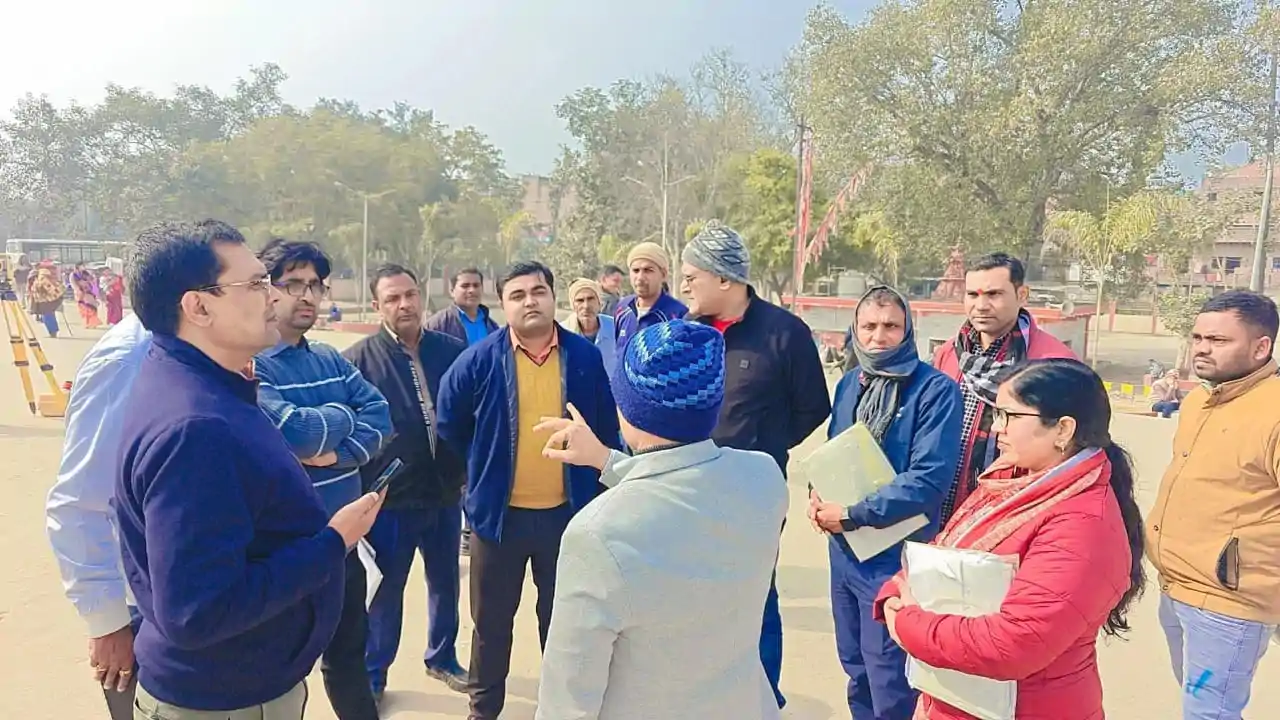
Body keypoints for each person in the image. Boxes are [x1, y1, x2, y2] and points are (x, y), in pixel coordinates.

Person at [114, 220, 385, 719]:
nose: (274, 297)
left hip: (242, 684)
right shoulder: (196, 428)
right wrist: (332, 541)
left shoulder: (203, 383)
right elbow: (197, 611)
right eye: (257, 284)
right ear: (198, 307)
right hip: (224, 700)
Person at [531, 320, 788, 720]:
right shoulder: (764, 479)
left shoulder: (596, 533)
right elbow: (685, 491)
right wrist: (606, 460)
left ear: (626, 409)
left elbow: (568, 698)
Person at [876, 359, 1146, 719]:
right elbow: (945, 552)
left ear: (1063, 429)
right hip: (959, 697)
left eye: (1010, 416)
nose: (995, 428)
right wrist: (896, 592)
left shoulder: (1083, 524)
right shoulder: (1012, 480)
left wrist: (908, 623)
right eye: (996, 414)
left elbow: (1014, 644)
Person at [437, 260, 621, 720]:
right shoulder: (479, 360)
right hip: (498, 522)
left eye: (538, 292)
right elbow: (450, 423)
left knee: (563, 626)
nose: (529, 302)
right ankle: (483, 710)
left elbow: (604, 428)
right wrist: (481, 470)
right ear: (503, 305)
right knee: (490, 627)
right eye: (517, 295)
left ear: (553, 297)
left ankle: (561, 709)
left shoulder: (584, 358)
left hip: (567, 517)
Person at [680, 220, 832, 709]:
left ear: (725, 279)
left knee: (755, 597)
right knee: (691, 598)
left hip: (753, 495)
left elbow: (813, 408)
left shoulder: (784, 334)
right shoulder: (686, 332)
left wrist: (762, 448)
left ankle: (760, 701)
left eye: (692, 276)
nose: (684, 286)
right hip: (686, 491)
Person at [252, 239, 393, 720]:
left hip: (344, 550)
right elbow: (297, 433)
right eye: (293, 283)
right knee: (278, 678)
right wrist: (342, 417)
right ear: (266, 290)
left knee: (348, 664)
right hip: (284, 557)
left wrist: (336, 453)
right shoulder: (252, 365)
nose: (307, 295)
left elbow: (381, 416)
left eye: (314, 285)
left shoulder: (330, 359)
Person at [808, 286, 963, 720]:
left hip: (893, 558)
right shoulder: (849, 384)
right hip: (845, 553)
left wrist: (852, 515)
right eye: (869, 326)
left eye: (891, 326)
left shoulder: (934, 391)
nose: (879, 337)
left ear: (908, 329)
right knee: (855, 668)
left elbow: (928, 480)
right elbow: (833, 455)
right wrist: (816, 497)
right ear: (855, 330)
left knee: (889, 679)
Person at [1146, 290, 1280, 720]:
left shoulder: (1274, 411)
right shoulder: (1198, 401)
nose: (1202, 348)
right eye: (1198, 337)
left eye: (1219, 340)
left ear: (1261, 347)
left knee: (1210, 713)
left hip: (1229, 601)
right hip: (1177, 585)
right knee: (1199, 705)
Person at [344, 263, 471, 700]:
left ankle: (442, 657)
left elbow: (469, 412)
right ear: (377, 305)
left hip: (445, 493)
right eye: (393, 298)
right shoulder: (358, 361)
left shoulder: (451, 351)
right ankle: (374, 676)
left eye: (410, 295)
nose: (405, 304)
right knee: (386, 592)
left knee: (445, 583)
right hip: (390, 501)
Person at [47, 309, 153, 720]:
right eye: (254, 284)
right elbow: (79, 501)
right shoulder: (129, 360)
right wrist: (107, 623)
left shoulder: (196, 351)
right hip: (139, 610)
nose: (266, 296)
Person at [931, 252, 1075, 525]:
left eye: (994, 294)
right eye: (972, 295)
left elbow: (1068, 451)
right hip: (944, 504)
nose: (981, 306)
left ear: (1022, 295)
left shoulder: (1054, 363)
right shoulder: (949, 354)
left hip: (1012, 508)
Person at [614, 242, 686, 355]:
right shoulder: (622, 309)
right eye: (635, 270)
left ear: (663, 274)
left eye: (648, 270)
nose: (640, 277)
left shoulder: (678, 315)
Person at [424, 267, 500, 346]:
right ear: (452, 291)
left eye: (476, 285)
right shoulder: (438, 325)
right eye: (465, 286)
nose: (472, 290)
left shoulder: (493, 327)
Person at [561, 277, 618, 370]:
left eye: (590, 299)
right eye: (580, 300)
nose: (586, 306)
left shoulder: (615, 327)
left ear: (599, 302)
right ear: (572, 306)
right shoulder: (561, 333)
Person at [29, 265, 64, 337]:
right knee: (49, 316)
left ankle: (53, 332)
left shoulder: (42, 280)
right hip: (49, 300)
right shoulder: (46, 279)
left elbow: (49, 289)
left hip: (45, 300)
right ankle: (53, 331)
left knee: (48, 316)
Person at [72, 262, 102, 329]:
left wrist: (91, 283)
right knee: (84, 309)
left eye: (84, 265)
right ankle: (87, 323)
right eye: (82, 266)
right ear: (78, 266)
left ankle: (93, 323)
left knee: (92, 307)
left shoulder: (86, 273)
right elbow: (73, 284)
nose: (83, 267)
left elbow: (92, 281)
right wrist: (79, 289)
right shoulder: (73, 274)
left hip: (89, 292)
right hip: (80, 293)